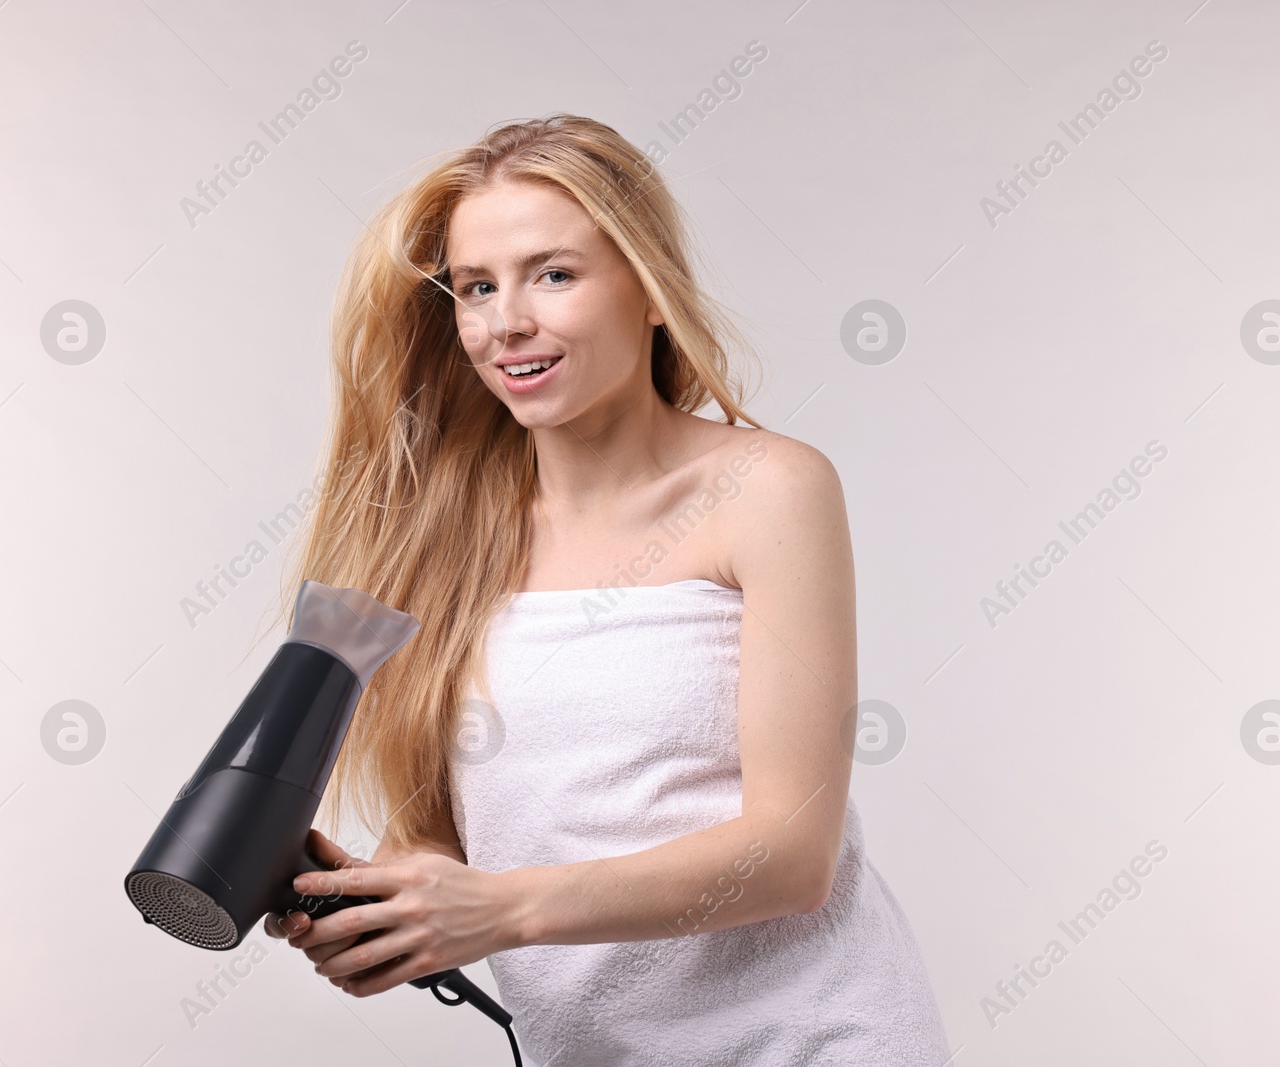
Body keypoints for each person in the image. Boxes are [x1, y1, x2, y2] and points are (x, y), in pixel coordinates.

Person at [262, 113, 951, 1065]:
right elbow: (442, 829)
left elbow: (794, 854)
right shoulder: (447, 541)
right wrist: (393, 905)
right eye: (476, 287)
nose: (507, 321)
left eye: (554, 273)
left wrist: (497, 911)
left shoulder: (768, 491)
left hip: (813, 1041)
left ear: (652, 290)